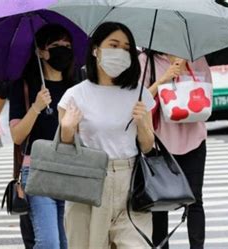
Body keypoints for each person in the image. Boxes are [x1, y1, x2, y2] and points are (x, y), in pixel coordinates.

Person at [58, 22, 156, 248]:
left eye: (126, 48)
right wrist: (67, 130)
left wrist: (142, 123)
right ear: (95, 50)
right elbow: (63, 150)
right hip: (88, 181)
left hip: (131, 181)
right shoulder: (74, 95)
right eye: (114, 45)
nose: (120, 52)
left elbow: (149, 146)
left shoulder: (139, 94)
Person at [10, 24, 78, 249]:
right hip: (37, 170)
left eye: (67, 45)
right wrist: (37, 107)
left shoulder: (76, 88)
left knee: (67, 242)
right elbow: (17, 136)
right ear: (40, 51)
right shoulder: (26, 86)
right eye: (56, 45)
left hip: (70, 169)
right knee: (49, 242)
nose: (63, 50)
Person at [139, 50, 211, 249]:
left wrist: (184, 75)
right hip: (159, 142)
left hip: (194, 138)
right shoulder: (146, 61)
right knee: (159, 204)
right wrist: (165, 78)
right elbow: (139, 100)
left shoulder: (196, 57)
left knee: (195, 200)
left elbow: (207, 90)